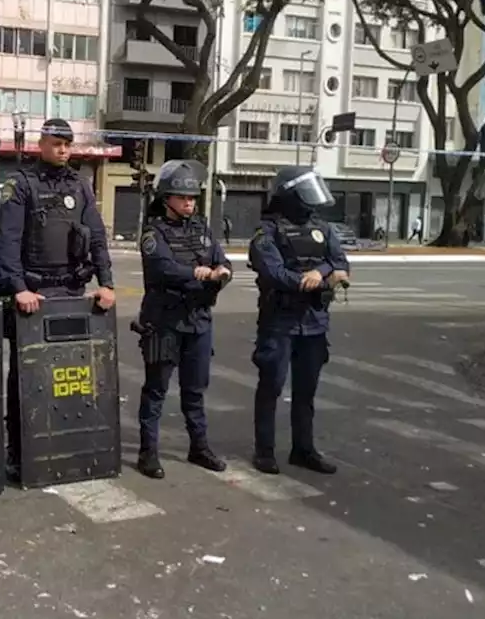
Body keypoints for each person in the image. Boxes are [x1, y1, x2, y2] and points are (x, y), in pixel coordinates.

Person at [0, 118, 115, 479]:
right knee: (27, 377)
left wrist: (106, 282)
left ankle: (63, 445)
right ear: (41, 143)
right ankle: (19, 453)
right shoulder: (20, 184)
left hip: (72, 292)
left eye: (67, 144)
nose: (62, 149)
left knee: (71, 375)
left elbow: (96, 237)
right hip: (35, 295)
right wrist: (18, 288)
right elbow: (8, 243)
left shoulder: (80, 185)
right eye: (56, 143)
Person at [133, 160, 232, 479]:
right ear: (166, 199)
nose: (189, 203)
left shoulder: (202, 229)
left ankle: (199, 447)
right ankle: (148, 453)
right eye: (182, 197)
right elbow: (162, 268)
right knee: (156, 390)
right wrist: (196, 272)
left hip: (198, 320)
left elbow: (221, 259)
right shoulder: (153, 232)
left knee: (195, 389)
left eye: (192, 198)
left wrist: (224, 272)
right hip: (165, 322)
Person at [248, 166, 349, 476]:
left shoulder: (323, 229)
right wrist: (319, 280)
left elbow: (340, 262)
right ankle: (264, 451)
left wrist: (320, 272)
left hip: (315, 322)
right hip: (280, 322)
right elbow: (274, 274)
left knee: (306, 392)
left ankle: (303, 450)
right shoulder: (267, 233)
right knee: (271, 388)